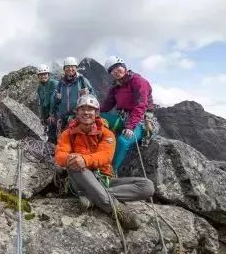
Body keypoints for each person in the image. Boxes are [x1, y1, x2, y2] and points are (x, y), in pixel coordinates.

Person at [55, 94, 154, 230]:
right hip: (80, 178)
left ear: (96, 113)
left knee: (147, 186)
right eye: (82, 109)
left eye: (90, 109)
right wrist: (75, 159)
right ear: (77, 112)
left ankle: (93, 197)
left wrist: (85, 159)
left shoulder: (106, 134)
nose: (86, 112)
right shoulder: (68, 134)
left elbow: (106, 156)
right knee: (74, 165)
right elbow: (60, 156)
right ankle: (117, 209)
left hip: (104, 178)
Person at [100, 56, 154, 174]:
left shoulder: (138, 81)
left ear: (124, 66)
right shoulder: (116, 87)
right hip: (123, 119)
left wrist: (130, 126)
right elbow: (106, 106)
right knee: (97, 118)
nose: (115, 71)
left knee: (123, 141)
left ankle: (111, 172)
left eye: (117, 67)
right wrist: (90, 111)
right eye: (111, 70)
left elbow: (141, 106)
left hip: (140, 121)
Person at [50, 56, 94, 133]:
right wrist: (52, 114)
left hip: (78, 116)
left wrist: (88, 94)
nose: (70, 69)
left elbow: (93, 95)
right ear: (64, 69)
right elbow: (54, 99)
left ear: (76, 68)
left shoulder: (82, 80)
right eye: (67, 67)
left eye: (72, 67)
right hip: (63, 117)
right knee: (65, 137)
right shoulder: (61, 83)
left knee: (78, 137)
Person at [36, 64, 59, 144]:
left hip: (55, 113)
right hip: (46, 113)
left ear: (48, 74)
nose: (43, 76)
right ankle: (51, 145)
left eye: (45, 74)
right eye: (41, 75)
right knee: (49, 131)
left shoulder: (55, 84)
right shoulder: (39, 88)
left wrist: (52, 114)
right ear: (38, 76)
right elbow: (42, 103)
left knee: (55, 131)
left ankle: (54, 146)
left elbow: (57, 100)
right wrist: (42, 117)